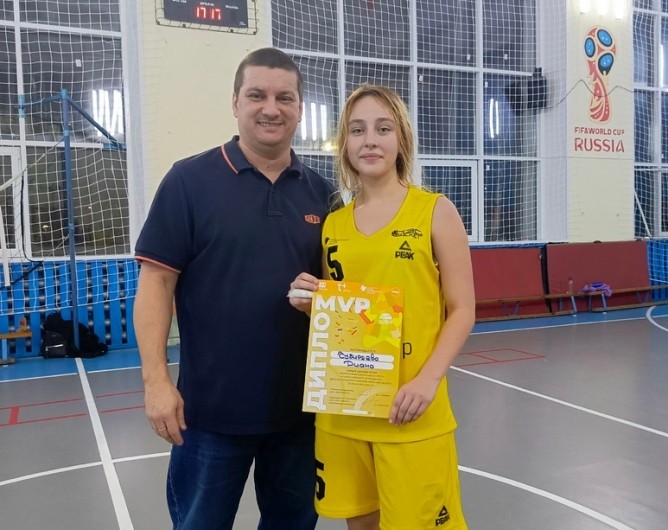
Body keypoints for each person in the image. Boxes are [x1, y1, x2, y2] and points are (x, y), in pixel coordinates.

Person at [133, 47, 334, 530]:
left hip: (301, 416)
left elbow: (339, 295)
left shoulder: (325, 194)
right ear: (235, 102)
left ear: (300, 108)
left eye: (285, 97)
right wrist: (156, 382)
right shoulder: (188, 181)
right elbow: (156, 283)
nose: (271, 108)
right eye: (257, 95)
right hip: (208, 415)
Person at [289, 85, 475, 530]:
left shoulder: (435, 211)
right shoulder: (333, 223)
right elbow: (347, 316)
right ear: (344, 144)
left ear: (401, 139)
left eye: (383, 128)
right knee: (360, 525)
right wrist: (310, 302)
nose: (370, 140)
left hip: (409, 411)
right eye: (357, 130)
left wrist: (428, 381)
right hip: (344, 409)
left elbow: (463, 309)